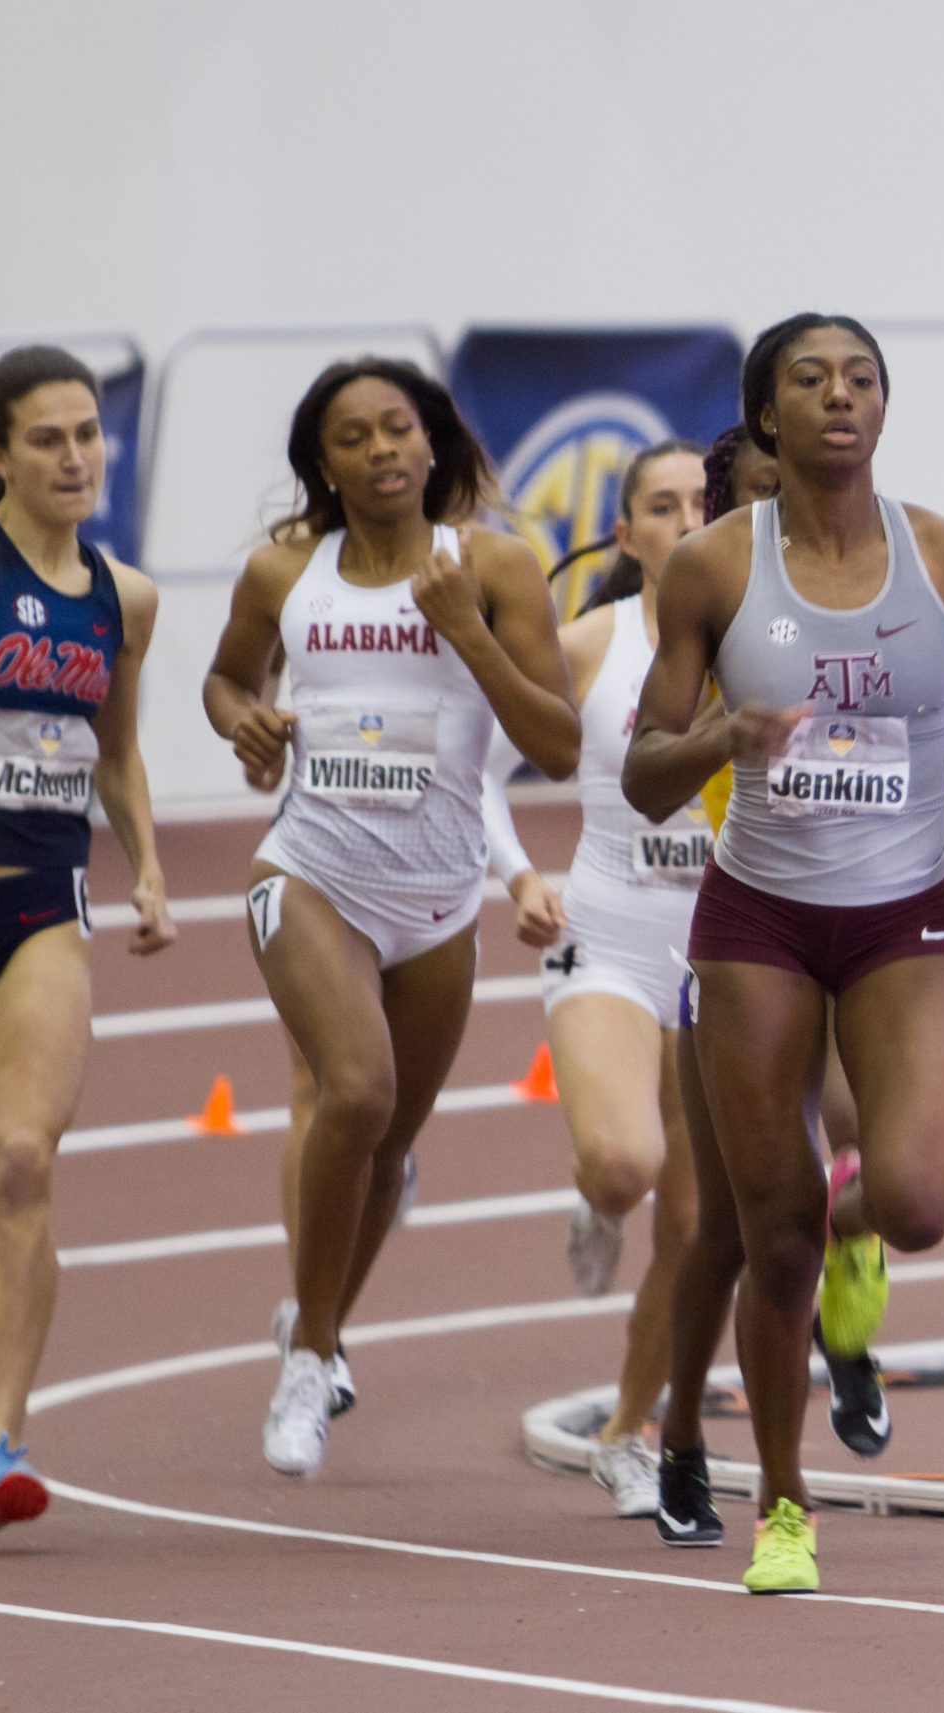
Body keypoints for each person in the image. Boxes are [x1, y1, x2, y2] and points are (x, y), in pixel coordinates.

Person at [623, 315, 944, 1594]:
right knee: (774, 1232)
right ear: (764, 418)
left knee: (912, 1204)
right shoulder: (709, 568)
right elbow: (644, 776)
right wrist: (722, 742)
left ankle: (729, 1387)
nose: (840, 398)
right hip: (756, 923)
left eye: (861, 377)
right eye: (809, 381)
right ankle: (781, 1503)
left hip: (903, 914)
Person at [202, 358, 580, 1479]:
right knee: (354, 1092)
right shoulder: (287, 572)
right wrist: (247, 723)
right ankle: (311, 1354)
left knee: (389, 1149)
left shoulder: (497, 566)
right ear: (322, 464)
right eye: (353, 437)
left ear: (434, 443)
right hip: (309, 869)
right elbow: (226, 680)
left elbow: (558, 749)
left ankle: (315, 1319)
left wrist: (468, 631)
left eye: (398, 429)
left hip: (437, 898)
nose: (380, 451)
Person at [0, 345, 176, 1530]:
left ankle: (1, 1443)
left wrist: (144, 870)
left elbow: (120, 749)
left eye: (89, 433)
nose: (77, 456)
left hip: (39, 901)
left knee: (24, 1161)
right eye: (48, 438)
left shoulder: (123, 596)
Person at [477, 438, 708, 1518]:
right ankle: (592, 1195)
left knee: (700, 1228)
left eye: (705, 500)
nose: (687, 519)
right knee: (625, 1166)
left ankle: (628, 1431)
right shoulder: (589, 644)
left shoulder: (774, 640)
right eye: (662, 506)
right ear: (628, 535)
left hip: (729, 951)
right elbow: (476, 761)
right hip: (609, 933)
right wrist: (519, 872)